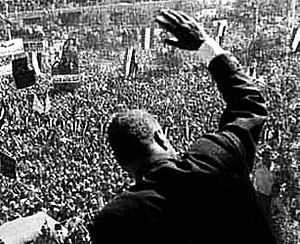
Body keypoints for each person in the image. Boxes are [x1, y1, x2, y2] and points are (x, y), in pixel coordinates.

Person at [88, 9, 277, 243]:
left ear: (122, 164)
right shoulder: (217, 158)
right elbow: (249, 103)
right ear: (160, 137)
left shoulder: (114, 221)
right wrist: (206, 45)